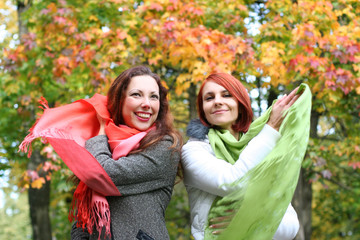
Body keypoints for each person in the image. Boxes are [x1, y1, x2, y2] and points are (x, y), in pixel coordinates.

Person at [20, 66, 182, 240]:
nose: (146, 104)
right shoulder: (105, 148)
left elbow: (101, 174)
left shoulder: (165, 147)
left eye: (154, 97)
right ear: (119, 100)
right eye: (136, 94)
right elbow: (83, 219)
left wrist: (100, 131)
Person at [182, 73, 310, 239]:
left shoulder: (263, 149)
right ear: (203, 110)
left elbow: (290, 226)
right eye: (209, 98)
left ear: (240, 103)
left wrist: (248, 219)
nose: (218, 101)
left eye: (226, 95)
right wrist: (271, 128)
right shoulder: (194, 151)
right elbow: (234, 182)